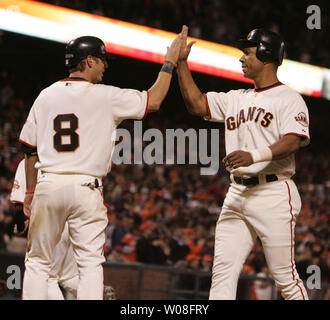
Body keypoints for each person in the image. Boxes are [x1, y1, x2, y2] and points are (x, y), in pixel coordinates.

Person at [19, 31, 183, 299]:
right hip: (86, 186)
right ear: (90, 60)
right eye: (103, 60)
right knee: (90, 264)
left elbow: (29, 148)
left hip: (49, 183)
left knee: (38, 262)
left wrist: (29, 192)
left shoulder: (45, 95)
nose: (106, 65)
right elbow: (153, 100)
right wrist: (169, 62)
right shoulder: (106, 96)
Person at [177, 26, 309, 300]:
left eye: (247, 52)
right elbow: (196, 105)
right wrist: (181, 64)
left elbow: (294, 141)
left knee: (285, 278)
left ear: (266, 54)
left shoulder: (289, 98)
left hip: (273, 192)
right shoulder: (236, 98)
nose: (242, 58)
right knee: (222, 274)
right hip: (237, 193)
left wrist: (254, 155)